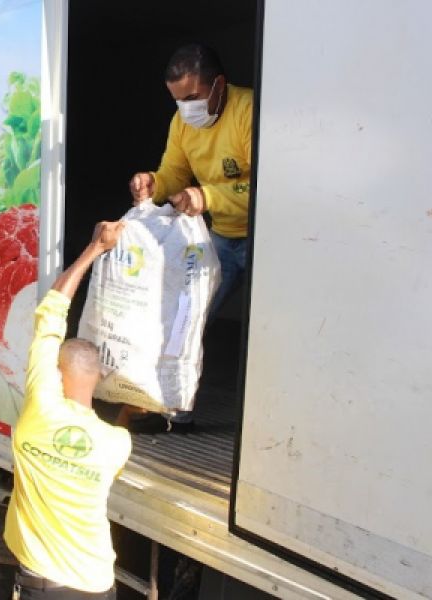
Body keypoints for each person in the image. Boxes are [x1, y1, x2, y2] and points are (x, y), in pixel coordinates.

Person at [125, 42, 253, 432]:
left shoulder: (249, 111)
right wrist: (154, 183)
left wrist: (208, 196)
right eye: (179, 100)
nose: (187, 108)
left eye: (193, 97)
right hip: (221, 238)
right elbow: (174, 173)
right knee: (186, 318)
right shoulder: (183, 123)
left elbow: (270, 184)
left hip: (267, 240)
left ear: (219, 85)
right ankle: (175, 413)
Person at [3, 221, 132, 600]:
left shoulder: (38, 412)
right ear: (99, 378)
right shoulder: (116, 443)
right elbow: (103, 447)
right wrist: (127, 410)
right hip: (97, 585)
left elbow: (50, 315)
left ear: (56, 374)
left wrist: (95, 248)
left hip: (44, 587)